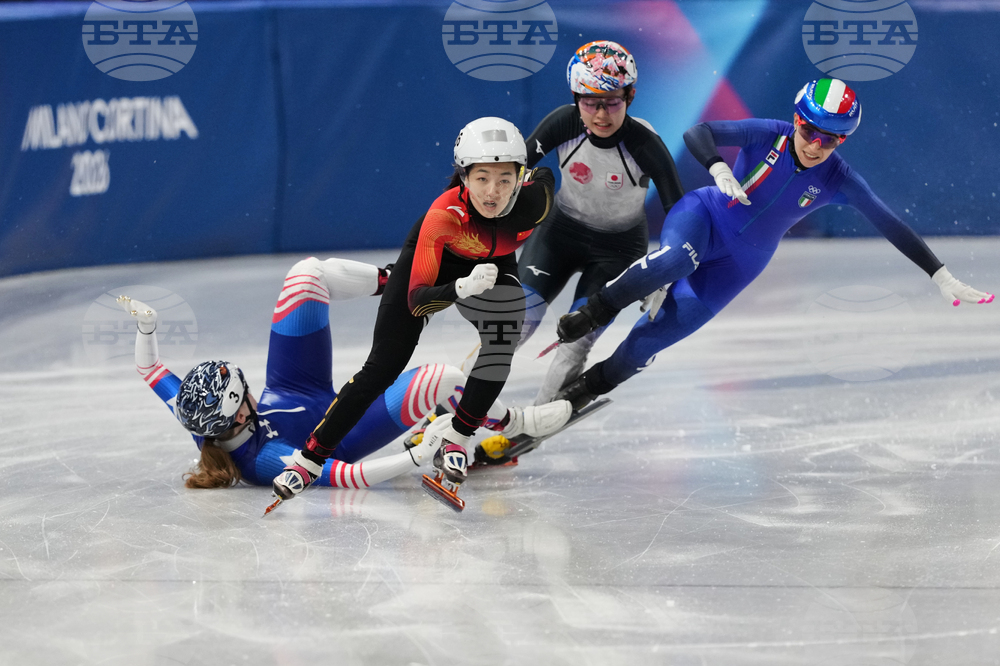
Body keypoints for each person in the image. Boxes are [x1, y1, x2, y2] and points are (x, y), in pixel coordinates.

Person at [553, 78, 994, 407]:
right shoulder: (770, 133)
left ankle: (580, 393)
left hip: (741, 263)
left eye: (831, 139)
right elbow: (699, 133)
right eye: (810, 131)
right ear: (797, 120)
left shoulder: (839, 178)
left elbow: (890, 222)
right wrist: (717, 168)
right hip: (704, 216)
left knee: (651, 341)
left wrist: (940, 274)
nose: (817, 145)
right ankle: (596, 311)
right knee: (677, 261)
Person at [271, 117, 562, 506]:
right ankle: (308, 459)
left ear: (520, 178)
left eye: (505, 179)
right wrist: (461, 287)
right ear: (463, 176)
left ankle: (457, 438)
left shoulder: (535, 203)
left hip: (492, 265)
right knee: (382, 369)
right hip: (431, 273)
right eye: (482, 179)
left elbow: (545, 167)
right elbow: (418, 301)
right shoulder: (441, 217)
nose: (493, 192)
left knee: (504, 332)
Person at [119, 255, 570, 491]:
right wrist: (414, 459)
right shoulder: (263, 463)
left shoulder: (195, 412)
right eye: (245, 393)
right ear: (239, 415)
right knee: (447, 378)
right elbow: (342, 477)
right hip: (342, 435)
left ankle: (400, 282)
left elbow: (150, 367)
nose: (249, 392)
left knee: (307, 274)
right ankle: (512, 420)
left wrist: (147, 327)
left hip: (295, 386)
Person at [516, 40, 685, 405]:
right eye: (590, 103)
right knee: (512, 325)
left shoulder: (645, 144)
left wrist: (663, 271)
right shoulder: (564, 122)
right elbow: (513, 170)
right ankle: (449, 414)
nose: (601, 115)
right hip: (557, 236)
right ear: (576, 99)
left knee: (573, 345)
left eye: (613, 102)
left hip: (618, 250)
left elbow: (681, 213)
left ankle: (530, 427)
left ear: (631, 96)